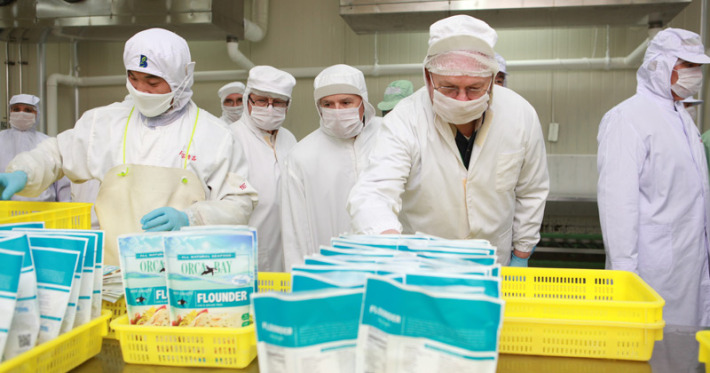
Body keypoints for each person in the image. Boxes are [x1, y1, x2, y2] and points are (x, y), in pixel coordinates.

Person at [0, 28, 257, 266]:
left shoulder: (215, 135)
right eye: (133, 79)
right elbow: (56, 153)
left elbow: (239, 204)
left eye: (152, 83)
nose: (141, 90)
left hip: (182, 280)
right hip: (112, 275)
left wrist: (191, 218)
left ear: (182, 77)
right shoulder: (103, 122)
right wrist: (25, 171)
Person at [347, 15, 549, 267]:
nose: (462, 100)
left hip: (494, 262)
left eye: (475, 88)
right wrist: (388, 242)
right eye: (449, 87)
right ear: (428, 77)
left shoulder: (520, 114)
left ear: (492, 79)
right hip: (426, 268)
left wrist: (522, 252)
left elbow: (531, 191)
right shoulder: (405, 119)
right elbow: (374, 191)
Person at [597, 28, 710, 326]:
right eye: (688, 66)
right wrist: (623, 274)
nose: (695, 74)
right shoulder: (626, 118)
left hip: (690, 262)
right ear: (660, 66)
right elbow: (617, 204)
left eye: (698, 66)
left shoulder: (682, 117)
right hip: (652, 268)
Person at [281, 64, 383, 269]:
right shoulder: (302, 156)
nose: (337, 111)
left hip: (389, 265)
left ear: (363, 101)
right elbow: (294, 231)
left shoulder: (390, 137)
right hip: (330, 272)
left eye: (346, 102)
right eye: (328, 104)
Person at [231, 65, 297, 272]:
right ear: (247, 100)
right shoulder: (230, 137)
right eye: (261, 100)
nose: (270, 108)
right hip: (245, 250)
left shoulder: (289, 138)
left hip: (286, 246)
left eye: (278, 102)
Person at [0, 94, 70, 202]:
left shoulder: (48, 143)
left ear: (37, 114)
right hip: (6, 211)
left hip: (43, 211)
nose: (21, 113)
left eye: (28, 110)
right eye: (16, 109)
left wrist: (66, 208)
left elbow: (63, 183)